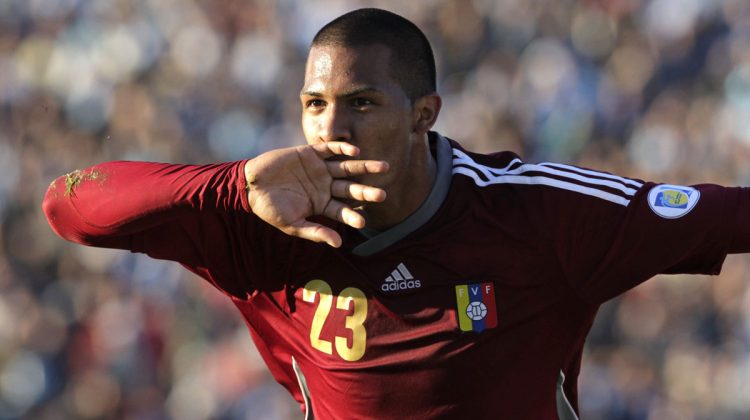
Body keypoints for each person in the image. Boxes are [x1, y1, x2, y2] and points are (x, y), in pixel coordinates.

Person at [42, 8, 750, 420]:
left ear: (424, 115)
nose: (330, 129)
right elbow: (69, 204)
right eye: (314, 105)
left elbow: (731, 216)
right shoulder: (260, 222)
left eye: (362, 103)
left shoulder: (533, 212)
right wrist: (229, 186)